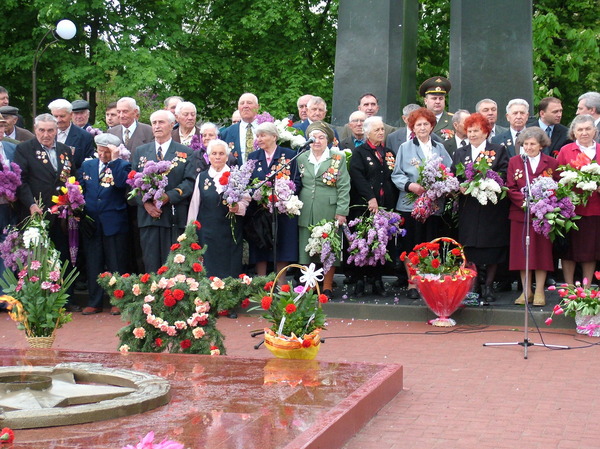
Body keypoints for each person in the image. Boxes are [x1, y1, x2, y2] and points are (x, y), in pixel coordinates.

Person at [14, 113, 79, 311]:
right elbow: (21, 181)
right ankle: (40, 300)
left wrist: (74, 202)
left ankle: (65, 298)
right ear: (35, 130)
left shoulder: (65, 150)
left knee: (64, 254)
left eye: (50, 130)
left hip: (61, 213)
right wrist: (31, 205)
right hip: (37, 212)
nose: (46, 134)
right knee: (38, 258)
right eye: (41, 130)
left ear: (56, 131)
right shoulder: (24, 149)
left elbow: (72, 178)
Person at [391, 108, 452, 299]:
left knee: (431, 243)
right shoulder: (405, 148)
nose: (423, 127)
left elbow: (448, 171)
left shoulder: (440, 148)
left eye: (426, 124)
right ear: (412, 127)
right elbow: (397, 174)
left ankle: (429, 282)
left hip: (433, 205)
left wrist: (441, 184)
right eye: (419, 124)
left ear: (432, 126)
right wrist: (410, 185)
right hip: (412, 205)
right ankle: (413, 283)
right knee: (412, 244)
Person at [452, 113, 510, 303]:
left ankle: (489, 285)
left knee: (492, 247)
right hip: (469, 207)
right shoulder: (461, 152)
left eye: (476, 130)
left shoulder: (498, 150)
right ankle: (474, 284)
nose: (472, 134)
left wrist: (486, 181)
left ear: (486, 132)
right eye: (469, 131)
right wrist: (458, 185)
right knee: (470, 247)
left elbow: (503, 172)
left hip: (491, 208)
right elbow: (454, 175)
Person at [131, 110, 195, 273]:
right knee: (151, 264)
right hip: (149, 218)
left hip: (173, 216)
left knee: (173, 266)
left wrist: (168, 197)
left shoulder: (185, 152)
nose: (157, 126)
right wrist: (145, 203)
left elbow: (189, 182)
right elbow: (132, 182)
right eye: (154, 123)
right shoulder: (141, 152)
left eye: (161, 122)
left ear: (172, 125)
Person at [77, 133, 131, 315]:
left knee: (116, 262)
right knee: (94, 262)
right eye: (100, 151)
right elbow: (79, 189)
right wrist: (78, 211)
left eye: (107, 152)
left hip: (114, 221)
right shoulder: (88, 165)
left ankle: (117, 300)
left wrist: (115, 161)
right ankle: (95, 301)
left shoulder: (122, 166)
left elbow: (121, 185)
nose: (102, 155)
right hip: (92, 222)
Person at [297, 122, 350, 298]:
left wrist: (342, 211)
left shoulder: (337, 158)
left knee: (328, 247)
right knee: (307, 247)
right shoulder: (302, 158)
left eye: (321, 137)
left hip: (329, 208)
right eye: (313, 138)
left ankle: (327, 286)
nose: (317, 141)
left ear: (328, 140)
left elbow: (343, 186)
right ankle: (310, 285)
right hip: (306, 208)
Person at [507, 128, 558, 306]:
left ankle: (539, 291)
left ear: (541, 145)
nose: (528, 147)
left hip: (543, 216)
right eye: (526, 144)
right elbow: (510, 187)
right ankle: (526, 290)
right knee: (523, 253)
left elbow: (557, 187)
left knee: (542, 253)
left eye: (532, 144)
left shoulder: (551, 162)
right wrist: (527, 202)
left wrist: (543, 203)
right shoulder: (515, 161)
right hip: (521, 214)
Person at [349, 116, 399, 296]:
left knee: (380, 242)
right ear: (367, 132)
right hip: (364, 206)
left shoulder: (388, 152)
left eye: (382, 129)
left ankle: (377, 279)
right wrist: (370, 197)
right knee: (362, 241)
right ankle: (360, 279)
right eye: (377, 130)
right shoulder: (360, 152)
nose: (380, 132)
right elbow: (358, 177)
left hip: (385, 205)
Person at [187, 139, 248, 278]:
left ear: (227, 157)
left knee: (230, 268)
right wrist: (190, 230)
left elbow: (246, 201)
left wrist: (237, 207)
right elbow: (195, 205)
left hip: (230, 233)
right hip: (207, 232)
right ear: (208, 157)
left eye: (221, 153)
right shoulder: (201, 177)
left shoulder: (236, 176)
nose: (218, 157)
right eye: (214, 153)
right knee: (209, 269)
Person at [247, 122, 300, 278]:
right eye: (258, 136)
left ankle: (281, 283)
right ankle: (262, 282)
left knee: (282, 245)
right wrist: (260, 195)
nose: (259, 139)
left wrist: (281, 197)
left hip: (282, 210)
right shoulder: (253, 157)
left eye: (263, 135)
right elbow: (247, 183)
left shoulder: (289, 155)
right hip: (260, 210)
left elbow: (296, 182)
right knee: (260, 246)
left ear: (274, 137)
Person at [557, 114, 600, 286]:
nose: (584, 133)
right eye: (580, 129)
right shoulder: (566, 151)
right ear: (573, 132)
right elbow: (556, 177)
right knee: (570, 251)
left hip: (595, 209)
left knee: (590, 251)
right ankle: (568, 287)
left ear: (595, 130)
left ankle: (587, 288)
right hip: (571, 210)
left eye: (588, 129)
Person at [48, 99, 95, 169]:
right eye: (55, 116)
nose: (58, 120)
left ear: (71, 115)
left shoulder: (84, 136)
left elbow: (88, 165)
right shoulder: (46, 134)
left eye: (62, 116)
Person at [0, 114, 17, 300]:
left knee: (8, 250)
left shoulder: (12, 148)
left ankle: (6, 296)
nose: (0, 130)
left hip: (10, 207)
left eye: (2, 126)